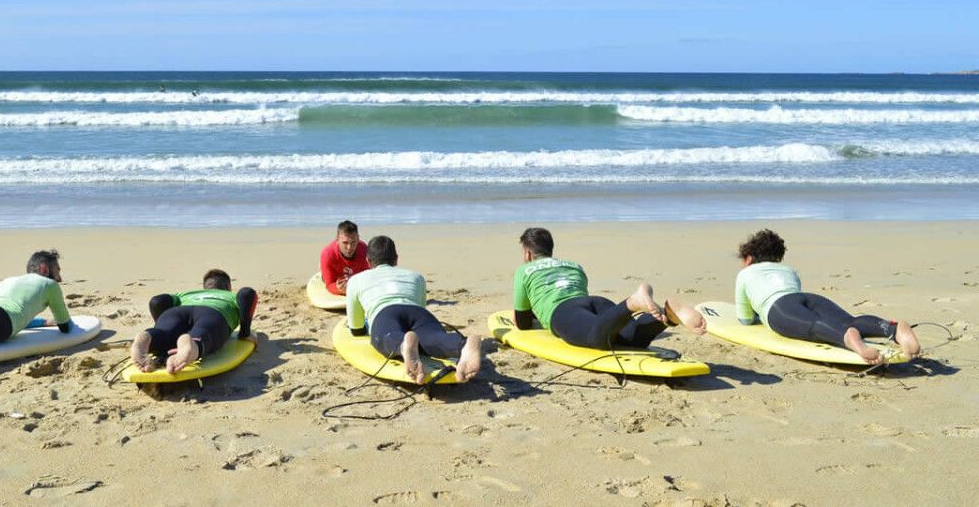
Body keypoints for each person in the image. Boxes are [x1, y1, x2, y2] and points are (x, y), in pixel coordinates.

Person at [733, 228, 920, 364]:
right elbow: (794, 297)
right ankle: (893, 329)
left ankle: (849, 340)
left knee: (813, 326)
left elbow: (745, 319)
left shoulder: (745, 274)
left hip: (778, 308)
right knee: (849, 321)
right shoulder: (789, 271)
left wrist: (757, 315)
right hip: (806, 298)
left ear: (749, 258)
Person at [512, 227, 706, 350]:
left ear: (528, 254)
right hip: (594, 303)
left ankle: (633, 302)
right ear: (550, 249)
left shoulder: (524, 271)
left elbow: (522, 323)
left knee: (596, 339)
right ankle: (668, 317)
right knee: (629, 337)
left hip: (562, 310)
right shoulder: (573, 266)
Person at [345, 235, 482, 383]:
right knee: (432, 338)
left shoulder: (356, 280)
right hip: (418, 313)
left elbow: (356, 328)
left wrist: (367, 327)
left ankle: (403, 344)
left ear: (368, 261)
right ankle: (462, 345)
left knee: (386, 338)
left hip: (385, 313)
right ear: (396, 259)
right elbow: (420, 307)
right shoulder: (416, 277)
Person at [130, 269, 258, 373]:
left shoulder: (186, 294)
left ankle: (150, 336)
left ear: (204, 287)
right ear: (228, 286)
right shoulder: (230, 296)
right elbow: (247, 294)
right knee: (201, 334)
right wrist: (245, 332)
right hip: (212, 313)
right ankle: (191, 344)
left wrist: (167, 340)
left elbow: (157, 301)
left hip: (177, 311)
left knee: (164, 332)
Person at [320, 220, 371, 295]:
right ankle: (322, 268)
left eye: (353, 242)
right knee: (324, 276)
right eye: (345, 243)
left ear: (358, 238)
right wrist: (338, 289)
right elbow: (329, 285)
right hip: (337, 277)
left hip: (355, 274)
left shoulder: (364, 250)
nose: (349, 247)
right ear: (337, 240)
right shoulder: (327, 254)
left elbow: (369, 276)